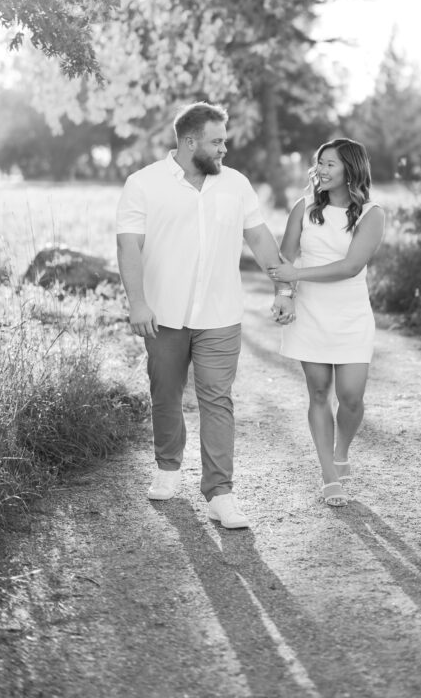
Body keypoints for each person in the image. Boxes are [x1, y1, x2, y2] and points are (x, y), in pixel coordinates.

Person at [115, 101, 294, 529]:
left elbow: (260, 239)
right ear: (190, 141)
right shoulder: (143, 184)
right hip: (162, 313)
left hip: (220, 313)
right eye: (216, 142)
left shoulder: (236, 184)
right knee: (165, 393)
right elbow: (128, 245)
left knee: (217, 399)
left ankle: (220, 493)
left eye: (224, 141)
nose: (224, 149)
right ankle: (168, 468)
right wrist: (137, 302)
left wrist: (283, 286)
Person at [268, 138, 385, 507]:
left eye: (330, 163)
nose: (321, 169)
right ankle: (329, 475)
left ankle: (341, 451)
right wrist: (284, 293)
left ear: (351, 168)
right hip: (310, 313)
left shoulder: (372, 214)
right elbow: (285, 258)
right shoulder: (303, 207)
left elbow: (351, 266)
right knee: (318, 392)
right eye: (319, 162)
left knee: (351, 398)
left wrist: (298, 275)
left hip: (351, 315)